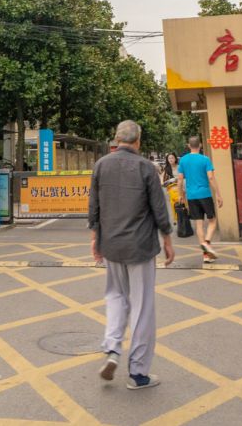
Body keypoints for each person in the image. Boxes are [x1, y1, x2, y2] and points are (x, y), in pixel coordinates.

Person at [88, 119, 175, 390]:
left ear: (117, 140)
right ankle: (138, 373)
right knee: (142, 306)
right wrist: (167, 239)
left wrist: (95, 238)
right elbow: (159, 208)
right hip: (140, 246)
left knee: (115, 297)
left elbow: (94, 205)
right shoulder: (146, 167)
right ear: (138, 141)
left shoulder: (101, 165)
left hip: (111, 246)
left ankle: (112, 349)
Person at [178, 135, 223, 263]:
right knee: (212, 221)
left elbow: (180, 180)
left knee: (199, 224)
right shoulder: (205, 159)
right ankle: (206, 243)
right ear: (201, 145)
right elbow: (211, 177)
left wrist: (181, 195)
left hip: (192, 196)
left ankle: (206, 255)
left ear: (188, 146)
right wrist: (218, 194)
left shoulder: (183, 160)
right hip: (205, 195)